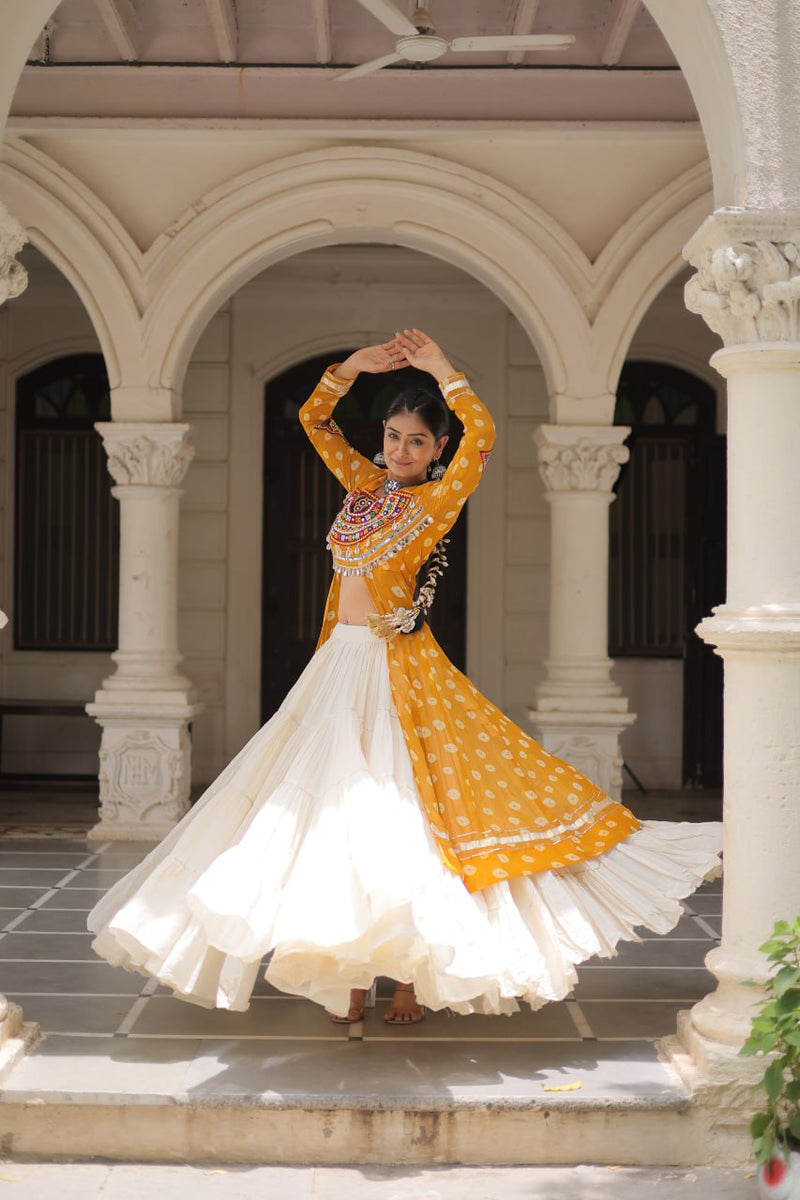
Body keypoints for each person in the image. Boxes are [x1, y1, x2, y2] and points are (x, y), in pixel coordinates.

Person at [88, 329, 721, 1027]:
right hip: (338, 668)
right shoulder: (363, 490)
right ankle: (350, 972)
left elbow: (482, 434)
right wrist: (352, 369)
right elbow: (313, 420)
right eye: (393, 436)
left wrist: (445, 369)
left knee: (407, 821)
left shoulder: (436, 501)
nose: (399, 450)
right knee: (337, 824)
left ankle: (412, 983)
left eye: (416, 441)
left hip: (397, 672)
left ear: (436, 450)